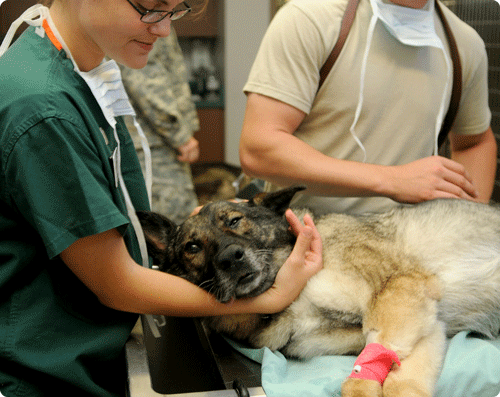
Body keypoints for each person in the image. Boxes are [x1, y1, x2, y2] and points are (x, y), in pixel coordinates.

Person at [0, 1, 323, 396]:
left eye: (174, 12)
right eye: (150, 9)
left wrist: (201, 232)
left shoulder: (85, 73)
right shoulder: (45, 109)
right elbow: (116, 283)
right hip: (45, 376)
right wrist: (270, 297)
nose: (163, 30)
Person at [240, 0, 497, 215]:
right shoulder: (311, 19)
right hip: (306, 247)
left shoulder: (464, 45)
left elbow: (475, 142)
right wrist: (392, 180)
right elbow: (259, 148)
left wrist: (467, 221)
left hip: (412, 250)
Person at [120, 30, 201, 224]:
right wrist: (180, 135)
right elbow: (145, 81)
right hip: (153, 144)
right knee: (173, 227)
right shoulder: (147, 17)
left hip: (150, 140)